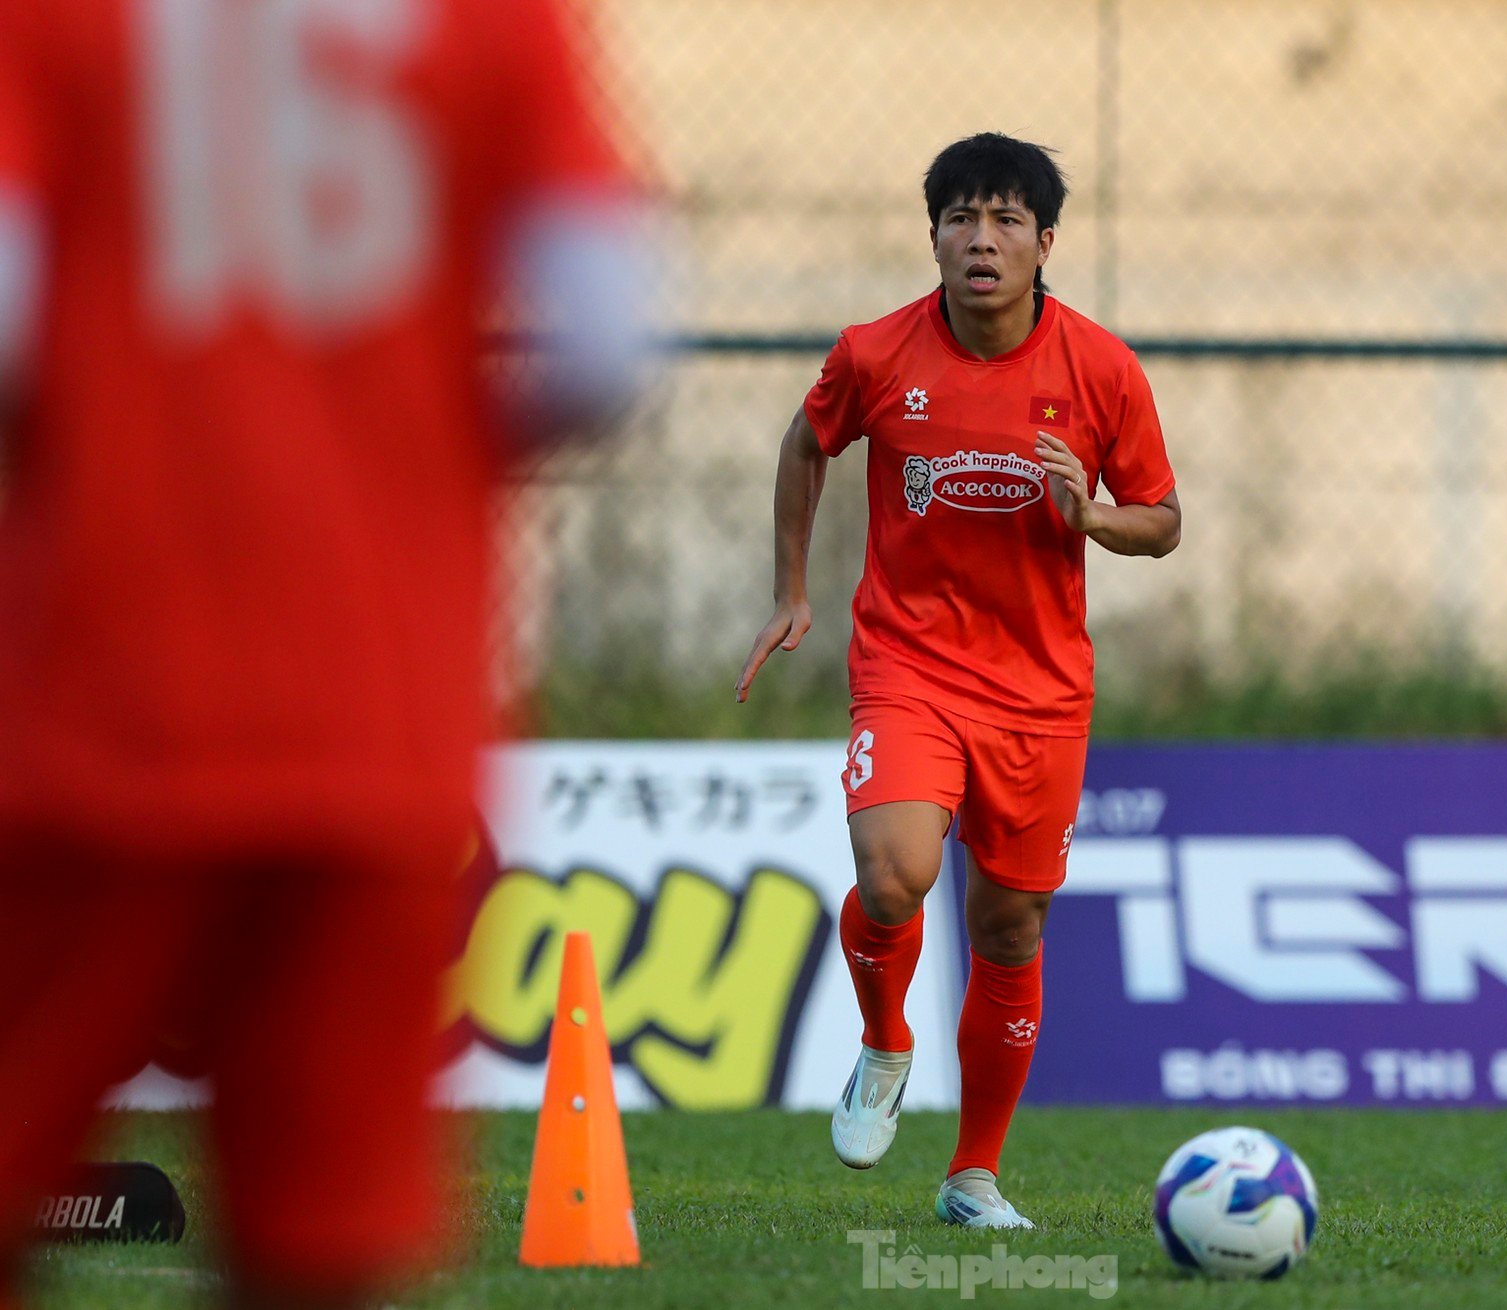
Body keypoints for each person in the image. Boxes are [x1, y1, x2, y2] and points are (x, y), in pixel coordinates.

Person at [0, 0, 660, 1304]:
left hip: (104, 703)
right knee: (320, 1252)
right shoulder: (500, 21)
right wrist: (408, 453)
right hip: (382, 723)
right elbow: (602, 344)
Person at [735, 132, 1180, 1229]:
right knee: (893, 875)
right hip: (908, 663)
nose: (981, 240)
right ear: (931, 234)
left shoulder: (1102, 369)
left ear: (1044, 243)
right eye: (959, 219)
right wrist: (792, 590)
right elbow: (807, 441)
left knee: (1011, 929)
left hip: (1038, 690)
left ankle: (972, 1173)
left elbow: (1163, 522)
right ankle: (886, 1039)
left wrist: (1095, 519)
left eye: (1006, 221)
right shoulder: (877, 354)